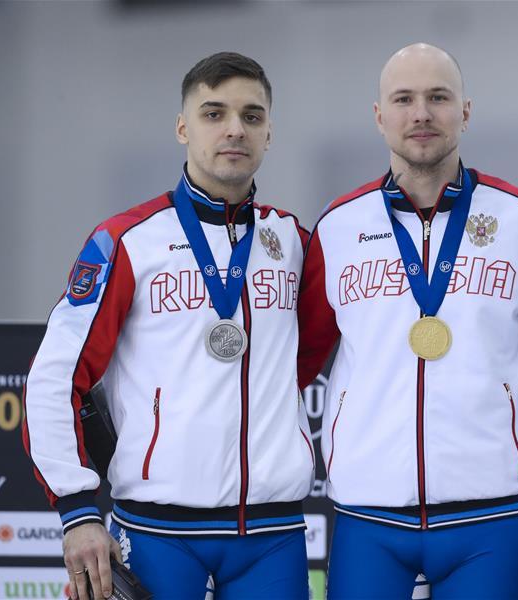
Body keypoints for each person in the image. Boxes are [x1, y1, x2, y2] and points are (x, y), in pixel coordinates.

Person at [23, 52, 314, 600]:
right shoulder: (128, 241)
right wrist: (77, 510)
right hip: (158, 531)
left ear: (270, 133)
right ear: (183, 127)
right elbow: (55, 377)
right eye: (213, 113)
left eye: (252, 116)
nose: (234, 128)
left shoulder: (293, 243)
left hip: (273, 534)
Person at [297, 43, 518, 599]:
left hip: (487, 520)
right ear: (379, 117)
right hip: (367, 519)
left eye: (438, 97)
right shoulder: (338, 227)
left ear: (465, 110)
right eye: (404, 99)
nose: (421, 113)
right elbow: (291, 369)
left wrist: (511, 445)